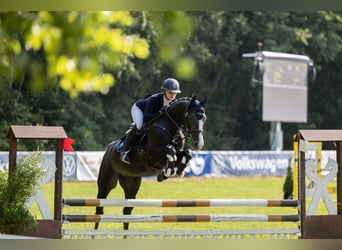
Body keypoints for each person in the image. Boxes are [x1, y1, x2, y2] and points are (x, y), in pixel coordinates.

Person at [120, 78, 182, 164]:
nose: (172, 95)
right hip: (139, 109)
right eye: (170, 92)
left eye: (175, 93)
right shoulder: (154, 99)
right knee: (140, 125)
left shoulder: (174, 103)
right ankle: (125, 150)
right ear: (164, 91)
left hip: (152, 115)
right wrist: (160, 112)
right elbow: (147, 117)